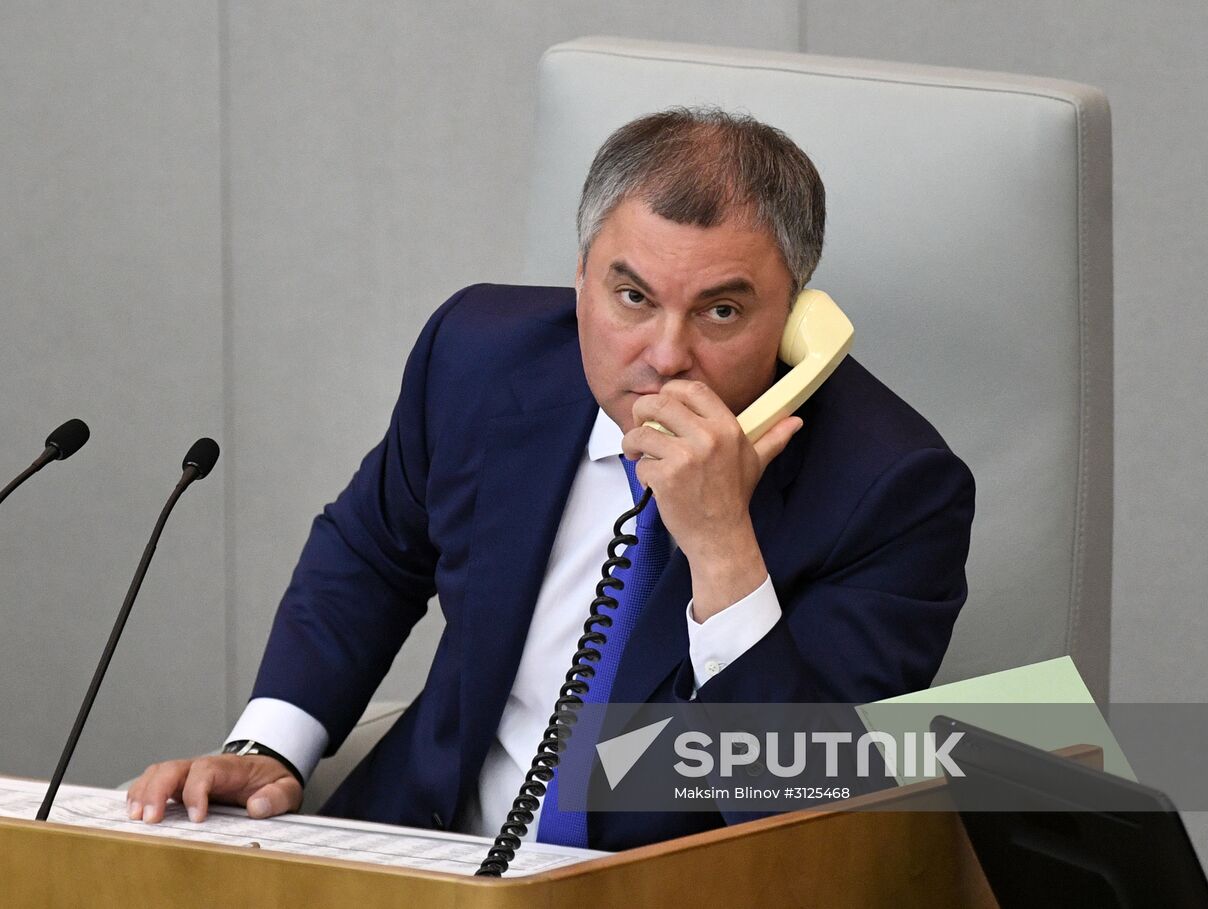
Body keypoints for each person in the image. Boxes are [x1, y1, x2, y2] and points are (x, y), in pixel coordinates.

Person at [126, 108, 975, 852]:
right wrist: (269, 746)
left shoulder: (895, 489)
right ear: (580, 279)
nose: (666, 353)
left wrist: (722, 549)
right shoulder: (478, 357)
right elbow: (372, 556)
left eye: (721, 310)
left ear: (793, 319)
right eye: (632, 296)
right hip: (424, 847)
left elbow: (812, 807)